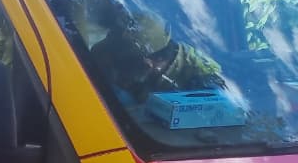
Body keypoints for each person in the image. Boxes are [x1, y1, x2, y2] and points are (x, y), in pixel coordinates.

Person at [89, 12, 222, 103]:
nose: (111, 64)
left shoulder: (202, 78)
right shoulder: (122, 48)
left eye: (119, 65)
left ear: (147, 64)